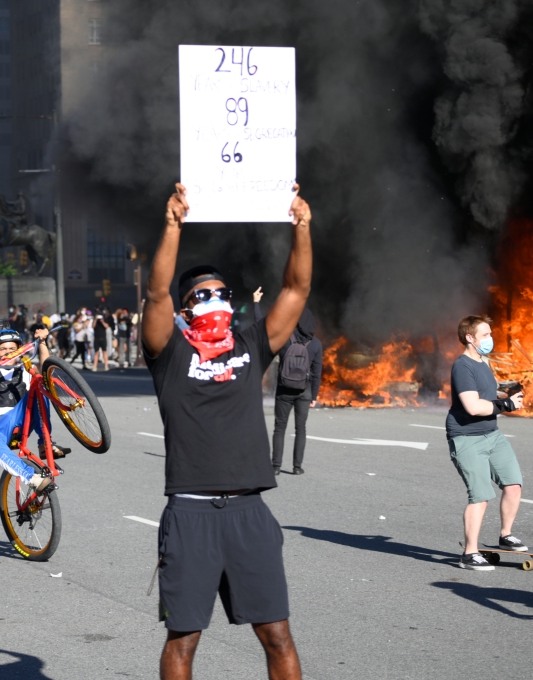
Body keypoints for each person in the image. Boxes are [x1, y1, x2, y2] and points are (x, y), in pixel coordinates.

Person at [142, 182, 311, 680]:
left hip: (248, 513)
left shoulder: (251, 344)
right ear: (185, 308)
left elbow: (296, 289)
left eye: (220, 293)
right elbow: (155, 292)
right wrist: (173, 224)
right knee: (183, 641)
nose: (213, 299)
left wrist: (302, 227)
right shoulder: (168, 353)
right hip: (190, 514)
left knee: (277, 635)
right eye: (201, 295)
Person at [447, 314, 526, 571]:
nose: (490, 339)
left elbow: (486, 393)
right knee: (480, 496)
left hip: (492, 434)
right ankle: (469, 554)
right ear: (470, 338)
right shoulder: (463, 366)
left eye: (490, 334)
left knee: (513, 485)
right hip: (467, 438)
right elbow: (472, 406)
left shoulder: (483, 362)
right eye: (485, 335)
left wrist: (505, 391)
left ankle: (506, 536)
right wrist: (506, 405)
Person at [0, 327, 68, 493]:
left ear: (19, 350)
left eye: (12, 349)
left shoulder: (26, 369)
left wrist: (42, 342)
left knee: (41, 383)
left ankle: (45, 443)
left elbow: (47, 369)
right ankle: (32, 478)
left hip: (21, 421)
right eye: (3, 349)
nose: (8, 353)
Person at [270, 308, 323, 476]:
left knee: (279, 427)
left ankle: (276, 466)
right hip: (304, 391)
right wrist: (313, 396)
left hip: (284, 390)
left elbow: (266, 333)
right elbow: (316, 372)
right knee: (301, 429)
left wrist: (256, 304)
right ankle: (297, 467)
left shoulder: (285, 338)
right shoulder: (316, 344)